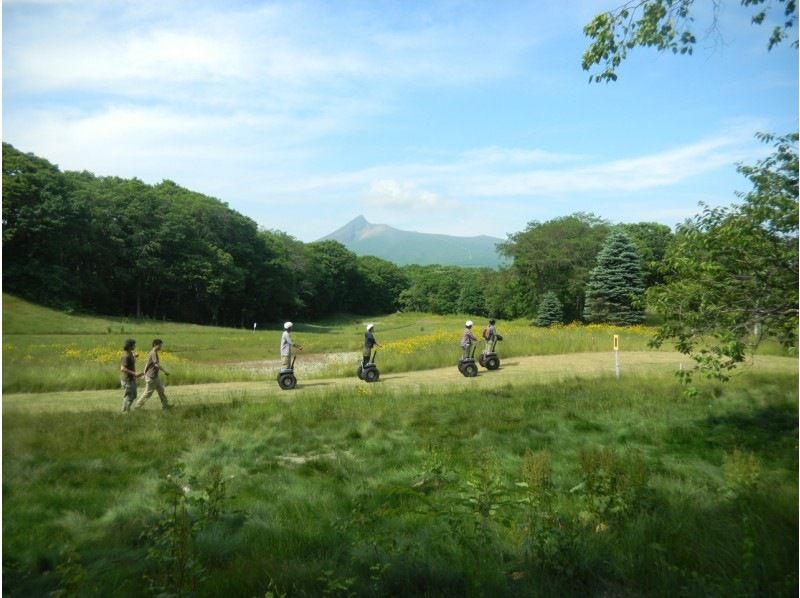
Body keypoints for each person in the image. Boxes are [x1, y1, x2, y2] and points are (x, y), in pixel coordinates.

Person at [134, 339, 171, 410]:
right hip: (151, 377)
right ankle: (137, 406)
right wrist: (165, 371)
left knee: (161, 390)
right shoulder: (153, 353)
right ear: (154, 345)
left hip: (155, 377)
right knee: (148, 393)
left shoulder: (152, 352)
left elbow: (147, 364)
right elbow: (156, 364)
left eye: (161, 345)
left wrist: (144, 372)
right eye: (159, 345)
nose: (160, 346)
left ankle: (165, 405)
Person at [120, 338, 143, 413]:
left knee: (134, 395)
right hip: (127, 379)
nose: (135, 346)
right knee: (129, 395)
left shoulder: (130, 353)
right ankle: (125, 411)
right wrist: (135, 374)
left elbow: (133, 354)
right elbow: (122, 368)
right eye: (133, 344)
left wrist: (134, 355)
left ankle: (126, 410)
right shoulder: (126, 356)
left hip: (131, 379)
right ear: (130, 346)